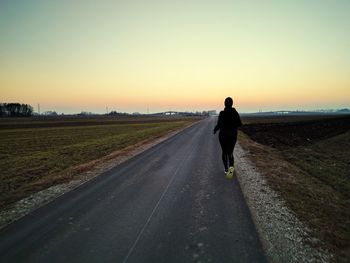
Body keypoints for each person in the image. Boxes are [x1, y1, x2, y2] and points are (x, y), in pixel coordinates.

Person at [213, 97, 242, 179]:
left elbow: (218, 124)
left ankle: (226, 169)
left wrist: (215, 130)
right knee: (230, 153)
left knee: (224, 152)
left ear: (224, 104)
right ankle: (230, 172)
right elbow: (239, 124)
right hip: (232, 135)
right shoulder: (235, 112)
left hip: (223, 136)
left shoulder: (222, 113)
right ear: (232, 104)